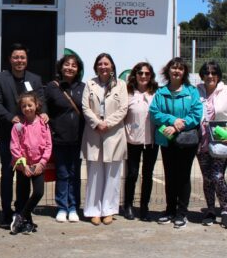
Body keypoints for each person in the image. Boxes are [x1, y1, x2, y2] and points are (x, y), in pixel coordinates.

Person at [0, 43, 48, 229]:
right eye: (16, 57)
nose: (19, 61)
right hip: (8, 134)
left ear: (26, 59)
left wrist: (44, 113)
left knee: (26, 177)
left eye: (22, 57)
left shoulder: (35, 79)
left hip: (31, 138)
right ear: (10, 59)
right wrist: (11, 118)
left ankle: (23, 213)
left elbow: (42, 102)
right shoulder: (0, 78)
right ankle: (7, 214)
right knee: (7, 174)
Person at [149, 57, 203, 229]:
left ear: (184, 72)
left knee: (183, 177)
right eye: (174, 68)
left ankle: (182, 213)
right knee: (170, 176)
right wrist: (173, 121)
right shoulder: (161, 92)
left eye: (180, 68)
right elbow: (154, 113)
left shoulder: (191, 92)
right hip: (167, 140)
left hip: (187, 141)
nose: (177, 71)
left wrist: (179, 126)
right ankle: (169, 210)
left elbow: (196, 114)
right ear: (168, 71)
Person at [82, 53, 128, 226]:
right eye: (100, 64)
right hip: (94, 132)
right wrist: (97, 123)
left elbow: (123, 108)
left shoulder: (121, 85)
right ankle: (93, 210)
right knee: (94, 172)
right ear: (96, 67)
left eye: (106, 63)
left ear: (112, 66)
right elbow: (85, 107)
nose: (103, 66)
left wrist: (107, 123)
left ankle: (108, 210)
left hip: (113, 133)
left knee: (112, 173)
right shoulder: (90, 84)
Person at [45, 54, 85, 223]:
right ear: (61, 68)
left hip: (78, 139)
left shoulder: (84, 87)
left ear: (78, 70)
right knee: (62, 173)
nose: (70, 68)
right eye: (66, 65)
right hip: (59, 138)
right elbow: (44, 109)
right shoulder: (52, 87)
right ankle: (62, 207)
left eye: (73, 65)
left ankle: (74, 206)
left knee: (75, 174)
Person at [9, 92, 52, 235]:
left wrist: (42, 163)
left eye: (30, 105)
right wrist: (23, 165)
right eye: (24, 106)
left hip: (38, 165)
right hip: (24, 166)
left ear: (36, 105)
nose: (27, 108)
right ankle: (27, 223)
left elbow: (48, 145)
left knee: (38, 192)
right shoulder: (18, 126)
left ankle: (20, 216)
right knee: (23, 195)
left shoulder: (43, 123)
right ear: (20, 108)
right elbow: (14, 147)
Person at [123, 62, 159, 221]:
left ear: (151, 76)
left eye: (147, 73)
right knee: (132, 174)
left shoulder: (156, 93)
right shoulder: (128, 93)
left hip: (152, 141)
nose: (143, 76)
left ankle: (144, 206)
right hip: (132, 141)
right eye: (140, 73)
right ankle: (128, 205)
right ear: (135, 75)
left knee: (148, 174)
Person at [196, 60, 227, 228]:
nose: (210, 76)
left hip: (221, 142)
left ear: (218, 75)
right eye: (207, 73)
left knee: (217, 176)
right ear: (202, 75)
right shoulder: (196, 92)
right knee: (207, 178)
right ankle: (210, 210)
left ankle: (225, 209)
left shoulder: (225, 91)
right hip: (201, 142)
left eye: (213, 73)